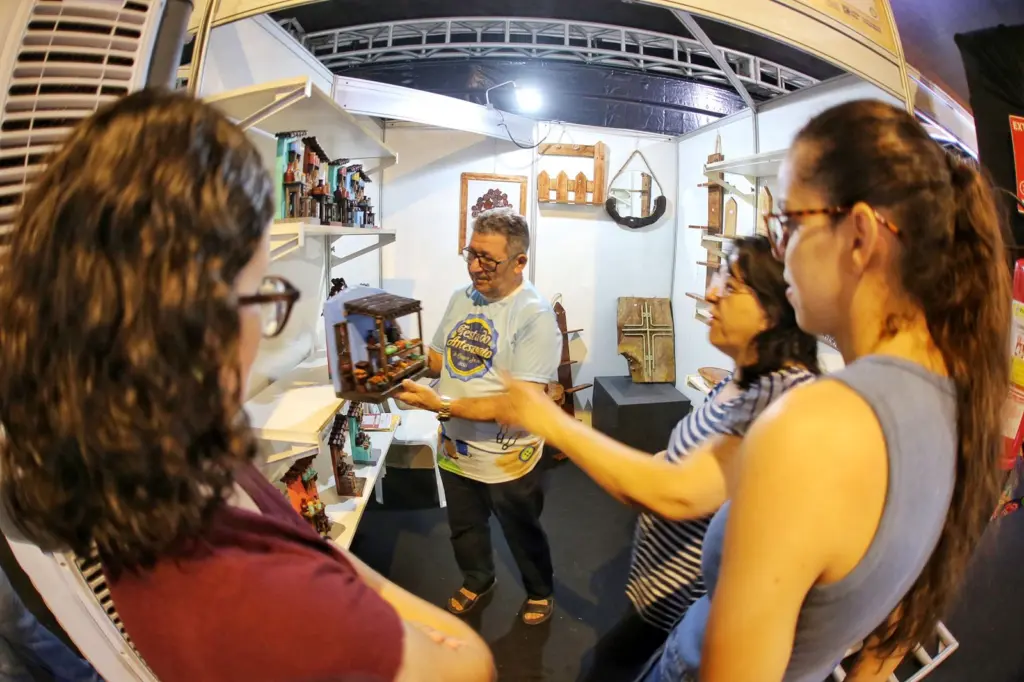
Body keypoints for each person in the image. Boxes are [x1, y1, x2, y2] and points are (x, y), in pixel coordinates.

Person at [506, 99, 1011, 682]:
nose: (781, 248)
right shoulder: (952, 403)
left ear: (860, 235)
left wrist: (543, 416)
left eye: (789, 224)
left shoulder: (813, 424)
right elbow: (890, 632)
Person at [0, 91, 495, 682]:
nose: (262, 328)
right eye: (261, 293)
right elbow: (467, 665)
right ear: (196, 317)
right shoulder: (255, 592)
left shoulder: (137, 478)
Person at [577, 236, 820, 681]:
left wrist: (544, 418)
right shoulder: (743, 379)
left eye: (730, 285)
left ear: (776, 308)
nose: (710, 293)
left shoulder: (780, 397)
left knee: (603, 669)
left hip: (688, 609)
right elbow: (686, 461)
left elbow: (681, 496)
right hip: (658, 589)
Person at [396, 208, 562, 625]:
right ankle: (478, 579)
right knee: (464, 526)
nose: (474, 267)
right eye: (471, 254)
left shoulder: (535, 316)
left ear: (519, 261)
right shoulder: (462, 297)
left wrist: (440, 405)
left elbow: (518, 407)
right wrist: (395, 357)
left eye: (488, 259)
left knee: (521, 530)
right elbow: (438, 360)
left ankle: (540, 590)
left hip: (508, 458)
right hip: (456, 446)